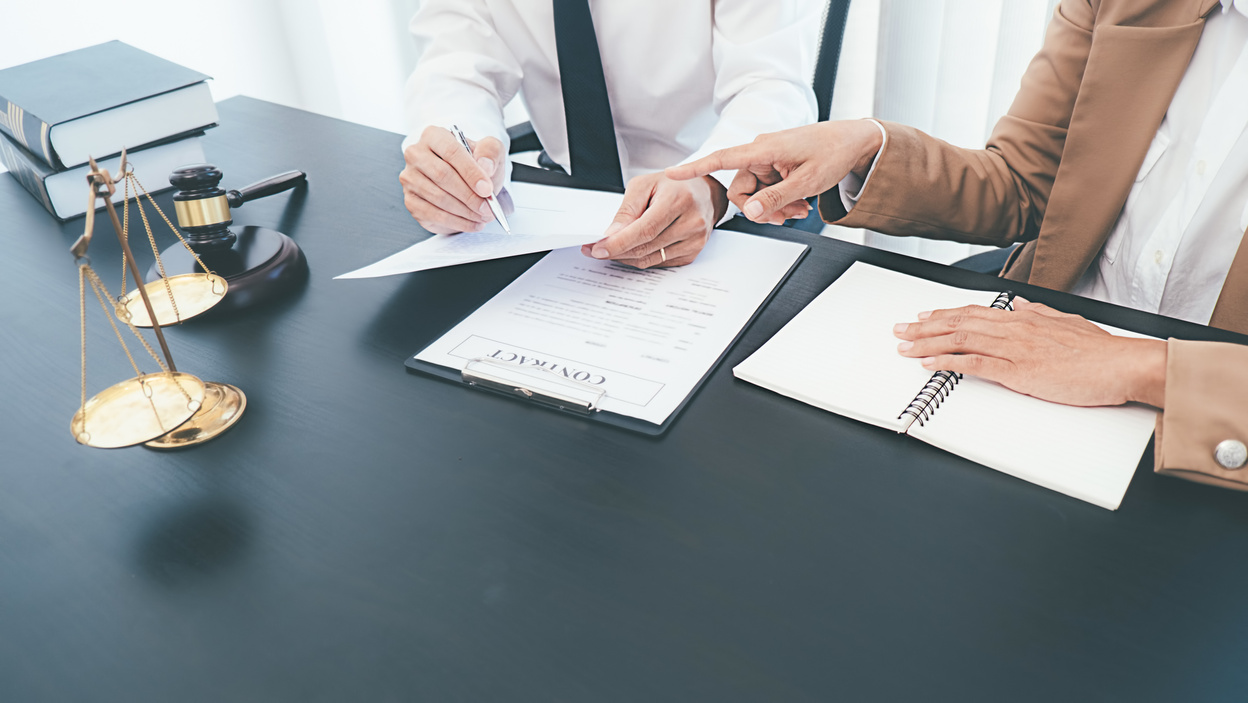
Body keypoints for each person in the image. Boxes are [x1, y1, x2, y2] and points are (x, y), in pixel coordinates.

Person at [669, 0, 1248, 490]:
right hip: (1033, 363)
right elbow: (1028, 182)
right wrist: (868, 148)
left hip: (1201, 434)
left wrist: (1139, 366)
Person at [399, 0, 819, 269]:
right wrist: (456, 162)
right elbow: (454, 70)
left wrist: (711, 186)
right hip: (565, 204)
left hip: (717, 199)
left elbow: (772, 84)